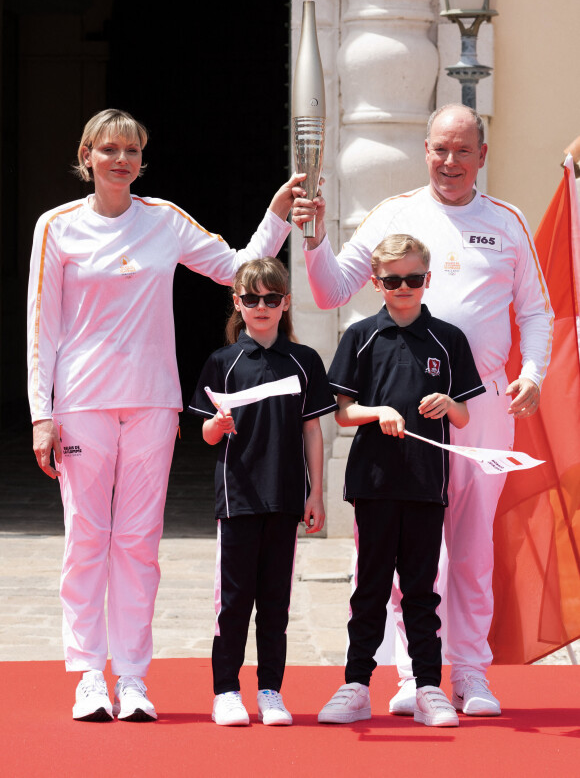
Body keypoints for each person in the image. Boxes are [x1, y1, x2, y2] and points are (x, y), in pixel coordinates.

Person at [27, 109, 306, 723]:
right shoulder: (57, 228)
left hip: (154, 401)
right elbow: (41, 326)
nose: (121, 159)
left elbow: (236, 268)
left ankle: (131, 677)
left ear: (141, 160)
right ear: (87, 156)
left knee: (138, 544)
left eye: (132, 149)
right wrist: (40, 414)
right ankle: (87, 676)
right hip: (82, 403)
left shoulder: (164, 221)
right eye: (109, 149)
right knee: (85, 540)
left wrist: (277, 216)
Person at [292, 103, 553, 717]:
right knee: (406, 543)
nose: (450, 161)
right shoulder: (395, 214)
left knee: (470, 544)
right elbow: (332, 289)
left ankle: (471, 672)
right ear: (425, 151)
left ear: (482, 156)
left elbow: (536, 313)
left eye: (463, 150)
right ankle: (413, 672)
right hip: (403, 415)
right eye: (440, 148)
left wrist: (533, 372)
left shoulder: (507, 221)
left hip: (480, 402)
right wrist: (313, 237)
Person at [317, 234, 484, 726]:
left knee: (420, 588)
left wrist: (449, 405)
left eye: (413, 279)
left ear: (427, 280)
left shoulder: (448, 339)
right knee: (369, 586)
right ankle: (355, 684)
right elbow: (343, 414)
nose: (404, 287)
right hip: (373, 481)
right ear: (376, 283)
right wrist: (380, 410)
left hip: (426, 483)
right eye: (393, 280)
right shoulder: (362, 334)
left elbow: (465, 417)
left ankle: (429, 686)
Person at [189, 257, 337, 727]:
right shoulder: (222, 362)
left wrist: (316, 494)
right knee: (232, 602)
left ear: (285, 303)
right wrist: (215, 425)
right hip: (237, 500)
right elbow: (206, 435)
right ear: (237, 302)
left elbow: (312, 431)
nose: (261, 307)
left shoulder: (304, 360)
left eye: (271, 299)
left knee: (276, 603)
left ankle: (271, 690)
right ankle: (226, 691)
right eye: (251, 298)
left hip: (286, 497)